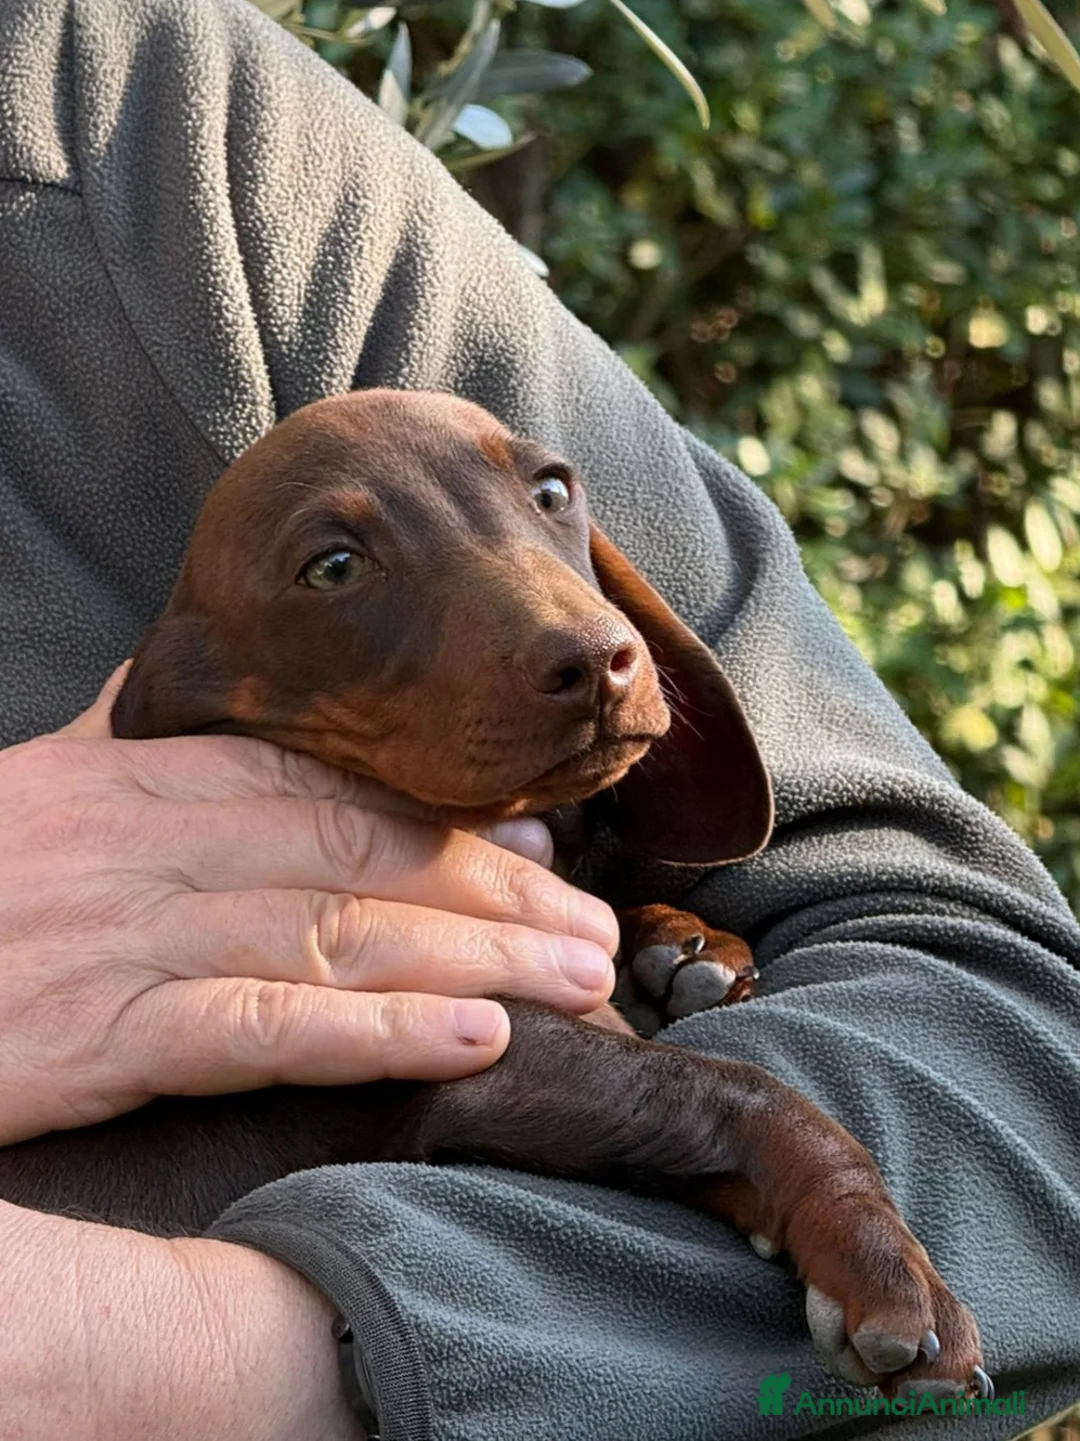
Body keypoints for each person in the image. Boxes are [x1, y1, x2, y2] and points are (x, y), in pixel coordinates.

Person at [1, 0, 1078, 1436]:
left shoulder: (156, 147)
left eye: (551, 506)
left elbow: (1011, 1062)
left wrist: (229, 1351)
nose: (580, 641)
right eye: (335, 567)